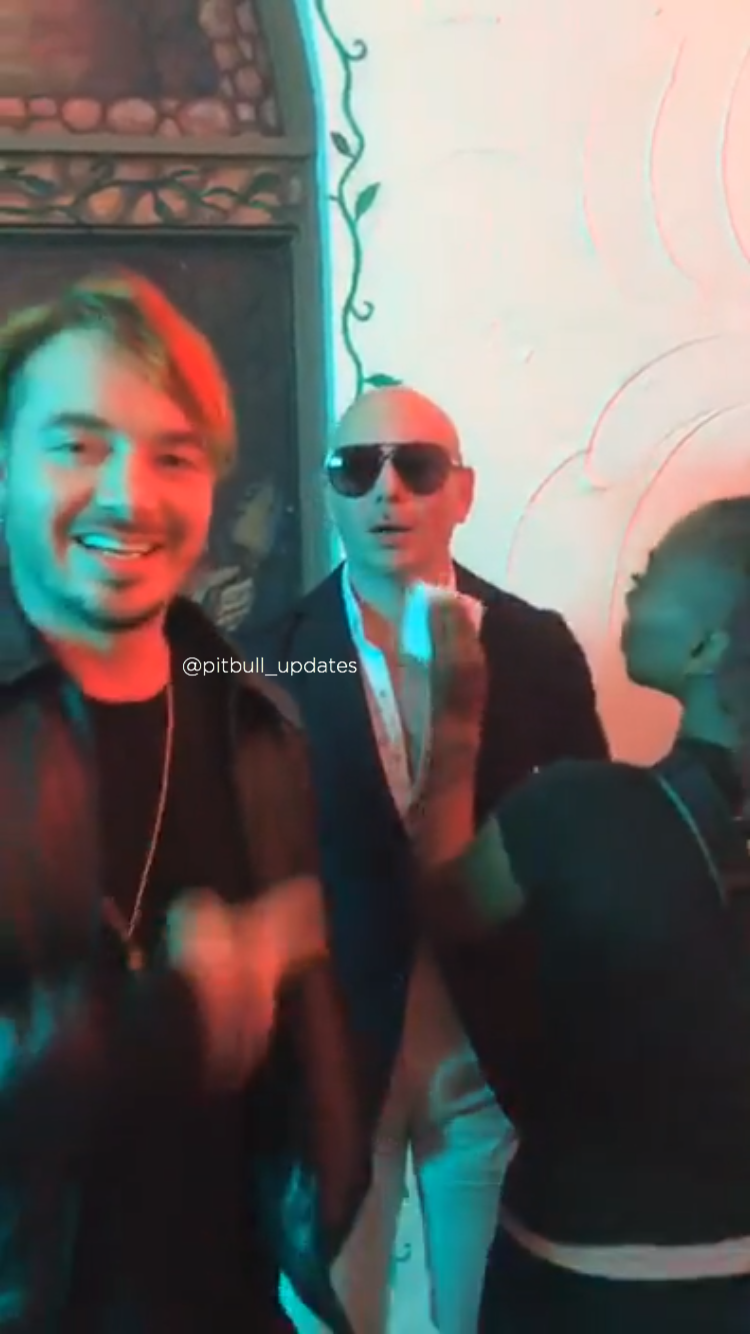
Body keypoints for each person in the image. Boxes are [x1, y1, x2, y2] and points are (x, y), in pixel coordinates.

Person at [0, 272, 367, 1333]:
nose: (130, 495)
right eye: (78, 445)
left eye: (173, 455)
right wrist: (174, 1010)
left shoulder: (255, 717)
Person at [240, 385, 608, 1332]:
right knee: (335, 1318)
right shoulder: (267, 657)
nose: (386, 492)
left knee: (492, 1316)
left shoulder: (536, 647)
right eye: (356, 469)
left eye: (416, 466)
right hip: (332, 1064)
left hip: (491, 1055)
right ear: (327, 491)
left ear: (463, 491)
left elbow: (582, 849)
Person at [412, 496, 750, 1333]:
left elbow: (444, 905)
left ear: (708, 646)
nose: (632, 588)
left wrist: (453, 725)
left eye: (652, 573)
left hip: (583, 1290)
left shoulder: (577, 813)